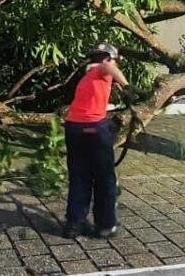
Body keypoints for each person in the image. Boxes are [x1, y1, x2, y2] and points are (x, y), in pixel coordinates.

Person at [63, 43, 131, 239]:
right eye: (115, 61)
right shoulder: (102, 68)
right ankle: (105, 225)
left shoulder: (86, 76)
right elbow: (107, 67)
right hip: (93, 128)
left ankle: (74, 224)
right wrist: (127, 87)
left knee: (79, 175)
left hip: (73, 128)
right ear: (108, 58)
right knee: (105, 178)